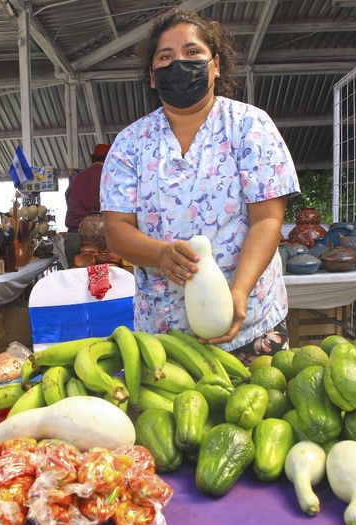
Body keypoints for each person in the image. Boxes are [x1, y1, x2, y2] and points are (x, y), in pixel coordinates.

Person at [100, 9, 300, 364]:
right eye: (166, 56)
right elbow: (116, 230)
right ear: (152, 76)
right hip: (165, 336)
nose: (180, 63)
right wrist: (160, 255)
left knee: (262, 413)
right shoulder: (130, 143)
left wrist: (238, 292)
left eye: (192, 53)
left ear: (216, 64)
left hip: (251, 321)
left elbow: (267, 220)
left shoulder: (249, 125)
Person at [64, 143, 110, 267]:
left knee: (73, 281)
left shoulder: (78, 178)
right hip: (99, 238)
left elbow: (68, 199)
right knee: (101, 280)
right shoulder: (109, 178)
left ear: (92, 159)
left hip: (73, 236)